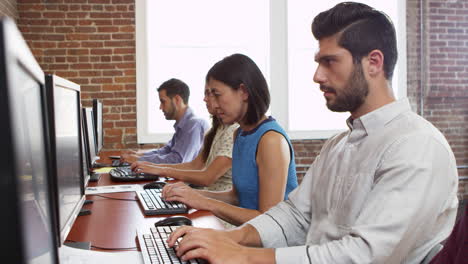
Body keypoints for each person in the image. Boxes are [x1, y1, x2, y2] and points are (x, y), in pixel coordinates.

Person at [165, 3, 459, 263]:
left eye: (329, 61)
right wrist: (230, 240)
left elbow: (365, 256)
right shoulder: (338, 145)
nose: (317, 75)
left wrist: (243, 256)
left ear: (373, 63)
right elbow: (294, 215)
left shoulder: (417, 146)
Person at [161, 53, 298, 226]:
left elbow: (269, 222)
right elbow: (236, 197)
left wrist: (205, 202)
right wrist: (190, 194)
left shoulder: (271, 140)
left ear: (244, 92)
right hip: (246, 235)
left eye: (217, 94)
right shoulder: (239, 134)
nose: (213, 104)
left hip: (270, 245)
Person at [131, 84, 238, 191]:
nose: (204, 99)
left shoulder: (196, 125)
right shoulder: (216, 129)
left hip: (212, 199)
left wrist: (158, 169)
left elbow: (205, 176)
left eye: (212, 93)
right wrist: (151, 165)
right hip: (205, 195)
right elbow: (194, 165)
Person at [121, 78, 209, 164]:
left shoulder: (193, 125)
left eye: (163, 102)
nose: (160, 107)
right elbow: (167, 150)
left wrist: (139, 160)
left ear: (177, 100)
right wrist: (140, 155)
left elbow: (178, 160)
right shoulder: (184, 124)